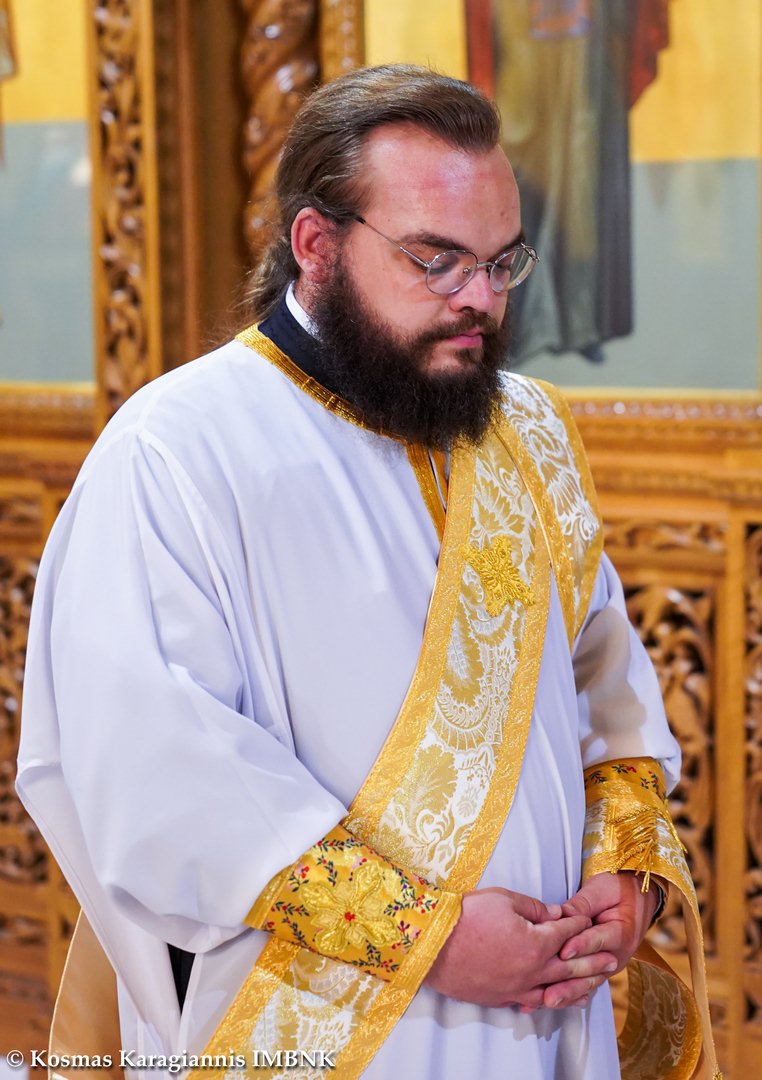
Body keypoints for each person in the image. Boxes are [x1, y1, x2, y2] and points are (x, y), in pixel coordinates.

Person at [17, 65, 718, 1079]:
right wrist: (432, 938)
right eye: (437, 261)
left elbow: (600, 682)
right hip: (328, 1027)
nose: (480, 299)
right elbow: (153, 766)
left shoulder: (527, 432)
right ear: (316, 244)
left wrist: (625, 873)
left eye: (503, 261)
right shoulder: (177, 450)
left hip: (553, 1011)